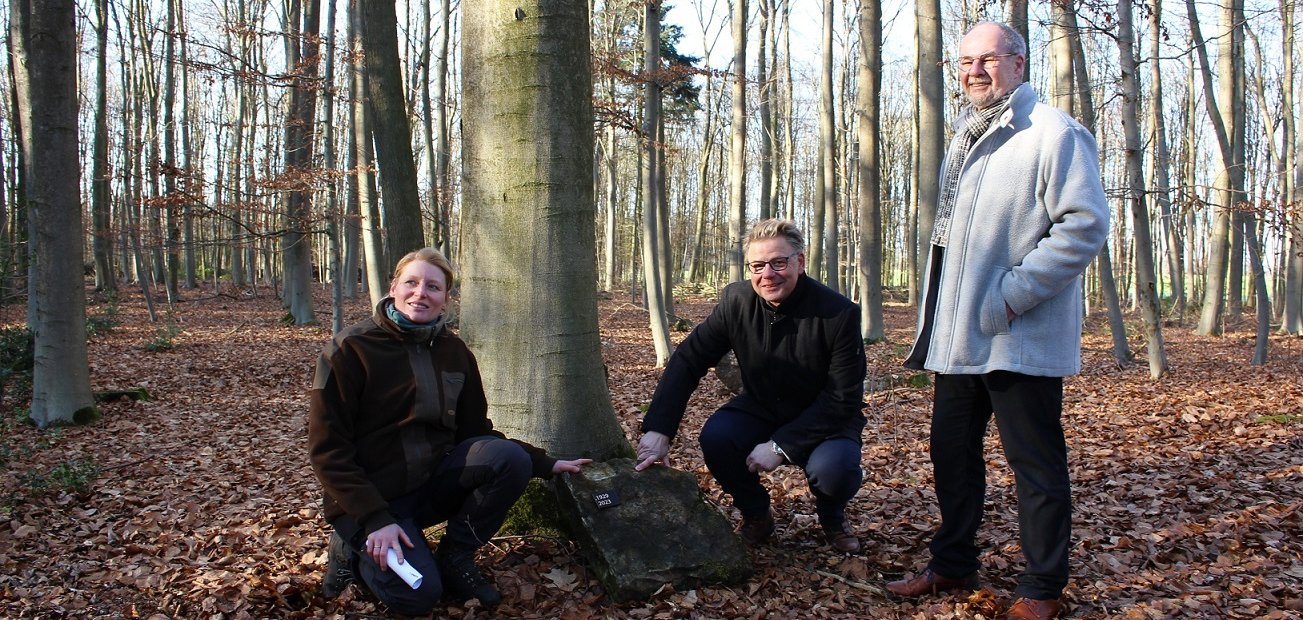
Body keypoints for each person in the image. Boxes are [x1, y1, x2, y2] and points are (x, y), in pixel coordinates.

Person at [888, 21, 1110, 620]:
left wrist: (1011, 294)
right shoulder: (966, 134)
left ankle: (1042, 588)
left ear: (1018, 62)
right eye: (964, 62)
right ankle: (953, 563)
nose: (974, 71)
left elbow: (1084, 226)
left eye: (988, 59)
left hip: (1017, 332)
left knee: (1034, 464)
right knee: (950, 454)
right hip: (958, 337)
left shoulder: (1053, 133)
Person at [308, 247, 590, 615]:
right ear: (393, 287)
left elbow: (477, 433)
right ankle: (350, 548)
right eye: (411, 282)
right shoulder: (349, 350)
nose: (420, 293)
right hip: (371, 503)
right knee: (418, 596)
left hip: (429, 486)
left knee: (509, 459)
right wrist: (374, 519)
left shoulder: (454, 351)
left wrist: (544, 463)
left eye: (433, 287)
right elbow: (327, 451)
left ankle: (456, 556)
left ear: (445, 298)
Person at [635, 219, 867, 553]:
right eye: (757, 266)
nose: (767, 274)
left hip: (825, 419)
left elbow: (843, 397)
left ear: (800, 262)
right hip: (762, 406)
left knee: (835, 469)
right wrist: (659, 428)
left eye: (779, 263)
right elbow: (689, 359)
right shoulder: (736, 302)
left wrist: (781, 446)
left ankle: (832, 516)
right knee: (716, 437)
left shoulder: (839, 314)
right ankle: (757, 514)